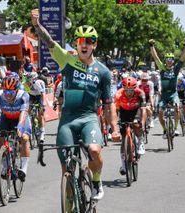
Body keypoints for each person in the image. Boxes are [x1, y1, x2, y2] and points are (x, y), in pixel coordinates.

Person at [31, 9, 120, 200]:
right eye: (80, 41)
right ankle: (71, 201)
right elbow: (49, 42)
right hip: (68, 120)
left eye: (89, 41)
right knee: (67, 170)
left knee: (95, 151)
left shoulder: (103, 72)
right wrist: (38, 26)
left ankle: (96, 180)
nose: (84, 44)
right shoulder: (67, 60)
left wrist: (114, 128)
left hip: (89, 118)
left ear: (95, 45)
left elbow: (109, 103)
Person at [0, 74, 31, 182]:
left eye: (11, 92)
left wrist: (20, 126)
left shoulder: (23, 95)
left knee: (24, 138)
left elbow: (24, 112)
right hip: (6, 118)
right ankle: (5, 165)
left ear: (16, 90)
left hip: (20, 118)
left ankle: (24, 168)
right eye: (6, 92)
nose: (8, 95)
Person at [148, 39, 185, 137]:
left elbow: (182, 58)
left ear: (172, 61)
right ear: (165, 61)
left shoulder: (175, 69)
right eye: (167, 59)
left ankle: (175, 128)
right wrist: (151, 46)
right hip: (164, 94)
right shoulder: (162, 68)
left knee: (177, 108)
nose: (169, 61)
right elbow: (155, 57)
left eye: (171, 60)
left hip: (173, 94)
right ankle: (165, 130)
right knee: (161, 112)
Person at [115, 77, 146, 175]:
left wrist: (143, 123)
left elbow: (143, 110)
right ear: (123, 88)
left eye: (131, 90)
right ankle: (123, 165)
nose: (128, 92)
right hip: (124, 111)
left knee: (137, 124)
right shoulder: (118, 94)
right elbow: (115, 111)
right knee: (124, 139)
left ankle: (140, 141)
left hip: (135, 110)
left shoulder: (140, 93)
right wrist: (115, 123)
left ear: (135, 89)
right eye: (126, 90)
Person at [23, 71, 47, 142]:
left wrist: (43, 104)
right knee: (27, 111)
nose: (27, 84)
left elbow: (42, 94)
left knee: (40, 115)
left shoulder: (36, 83)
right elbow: (25, 95)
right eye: (26, 82)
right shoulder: (24, 84)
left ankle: (42, 132)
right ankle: (30, 125)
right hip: (31, 96)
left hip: (39, 96)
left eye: (28, 82)